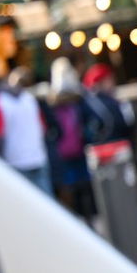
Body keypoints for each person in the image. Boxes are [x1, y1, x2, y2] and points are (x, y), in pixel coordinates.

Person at [0, 68, 51, 194]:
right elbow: (42, 127)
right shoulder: (27, 97)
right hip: (38, 156)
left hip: (15, 162)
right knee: (46, 201)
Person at [47, 76, 95, 218]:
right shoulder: (54, 110)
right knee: (71, 188)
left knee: (83, 186)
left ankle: (87, 217)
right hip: (64, 155)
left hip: (77, 151)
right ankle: (78, 217)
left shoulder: (77, 106)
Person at [80, 63, 134, 145]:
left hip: (102, 145)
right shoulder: (104, 102)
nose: (113, 82)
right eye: (109, 79)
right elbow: (122, 125)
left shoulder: (90, 101)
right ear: (100, 83)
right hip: (113, 144)